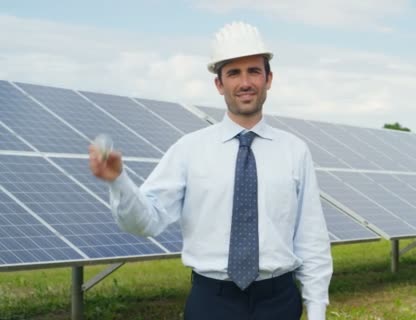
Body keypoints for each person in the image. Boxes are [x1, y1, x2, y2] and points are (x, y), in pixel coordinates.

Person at [89, 21, 333, 320]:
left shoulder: (295, 151)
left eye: (254, 71)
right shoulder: (188, 150)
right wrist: (119, 182)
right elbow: (146, 223)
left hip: (278, 301)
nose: (245, 82)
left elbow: (311, 237)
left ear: (269, 79)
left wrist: (317, 310)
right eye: (233, 73)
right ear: (219, 84)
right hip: (212, 303)